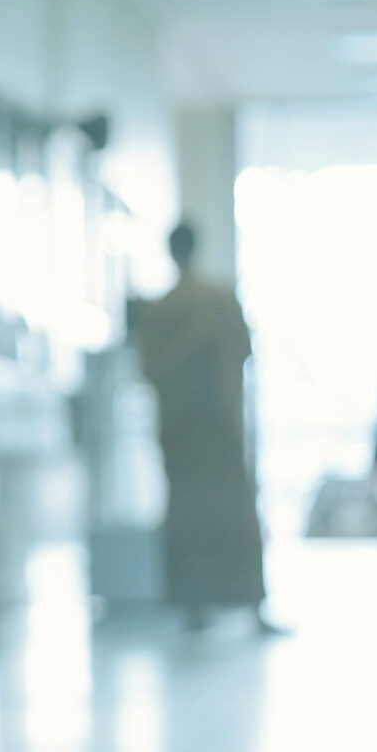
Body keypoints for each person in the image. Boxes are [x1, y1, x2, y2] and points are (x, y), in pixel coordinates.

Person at [136, 223, 282, 634]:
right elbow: (244, 352)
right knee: (232, 514)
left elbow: (149, 368)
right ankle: (249, 606)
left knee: (189, 516)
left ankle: (195, 606)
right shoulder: (216, 300)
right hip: (216, 426)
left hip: (182, 430)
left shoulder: (161, 309)